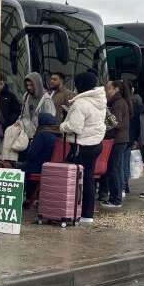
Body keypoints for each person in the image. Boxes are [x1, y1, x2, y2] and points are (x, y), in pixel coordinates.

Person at [60, 72, 106, 224]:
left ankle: (72, 211)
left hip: (81, 145)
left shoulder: (80, 103)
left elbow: (75, 127)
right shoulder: (99, 100)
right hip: (96, 143)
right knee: (88, 178)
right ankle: (87, 214)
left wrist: (63, 125)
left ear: (80, 86)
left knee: (73, 178)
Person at [2, 72, 54, 165]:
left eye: (31, 85)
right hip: (25, 129)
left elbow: (49, 119)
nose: (29, 87)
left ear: (37, 84)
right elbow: (22, 113)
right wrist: (19, 120)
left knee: (29, 158)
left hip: (37, 133)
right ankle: (9, 161)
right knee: (10, 131)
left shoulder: (46, 100)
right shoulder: (26, 96)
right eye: (27, 85)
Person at [99, 80, 132, 208]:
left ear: (116, 89)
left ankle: (115, 199)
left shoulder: (117, 103)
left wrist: (102, 126)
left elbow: (115, 123)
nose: (107, 91)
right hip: (121, 139)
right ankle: (115, 197)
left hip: (117, 140)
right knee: (115, 168)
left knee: (113, 169)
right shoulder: (121, 102)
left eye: (109, 88)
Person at [18, 111, 59, 195]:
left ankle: (21, 195)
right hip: (52, 167)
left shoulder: (42, 135)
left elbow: (31, 154)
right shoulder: (58, 135)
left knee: (19, 169)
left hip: (39, 166)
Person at [126, 81, 144, 194]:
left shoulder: (130, 103)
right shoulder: (138, 103)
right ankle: (125, 185)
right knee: (126, 161)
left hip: (127, 137)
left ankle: (123, 186)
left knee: (123, 162)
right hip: (132, 137)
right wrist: (139, 140)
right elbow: (141, 125)